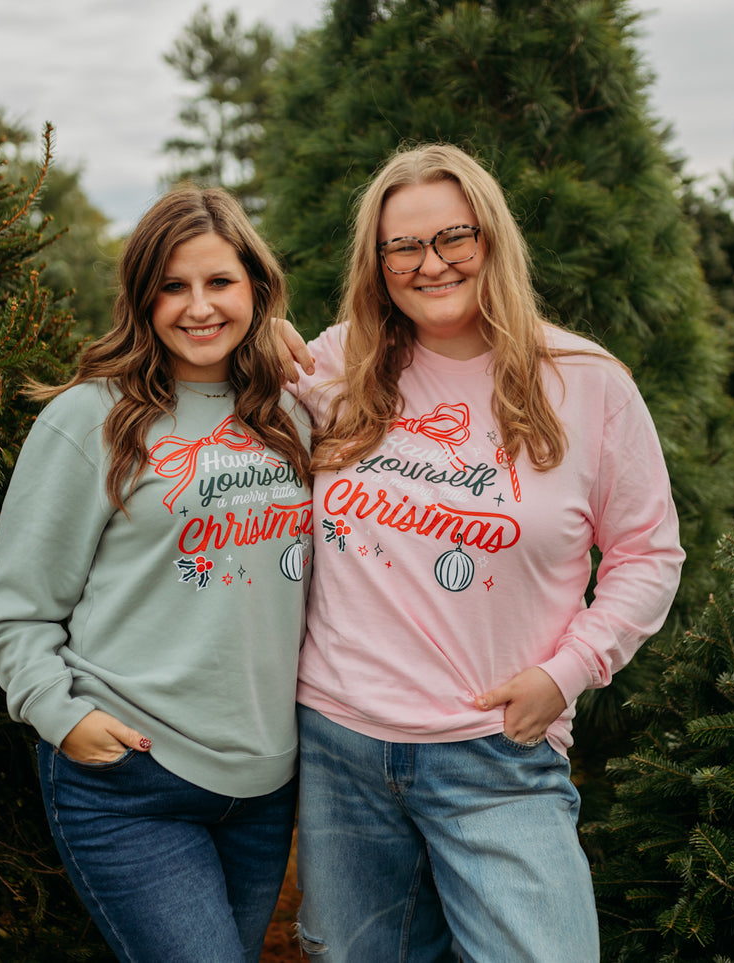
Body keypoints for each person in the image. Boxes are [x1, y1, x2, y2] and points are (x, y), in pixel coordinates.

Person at [281, 143, 685, 962]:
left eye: (452, 238)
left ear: (491, 240)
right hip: (340, 748)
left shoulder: (585, 382)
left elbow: (648, 553)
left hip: (497, 751)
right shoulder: (337, 363)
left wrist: (567, 671)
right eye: (402, 246)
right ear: (377, 263)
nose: (430, 264)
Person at [0, 186, 314, 963]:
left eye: (220, 282)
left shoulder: (291, 410)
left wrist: (285, 342)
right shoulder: (90, 418)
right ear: (140, 297)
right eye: (172, 286)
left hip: (264, 785)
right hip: (133, 779)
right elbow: (15, 610)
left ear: (256, 287)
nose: (198, 306)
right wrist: (58, 713)